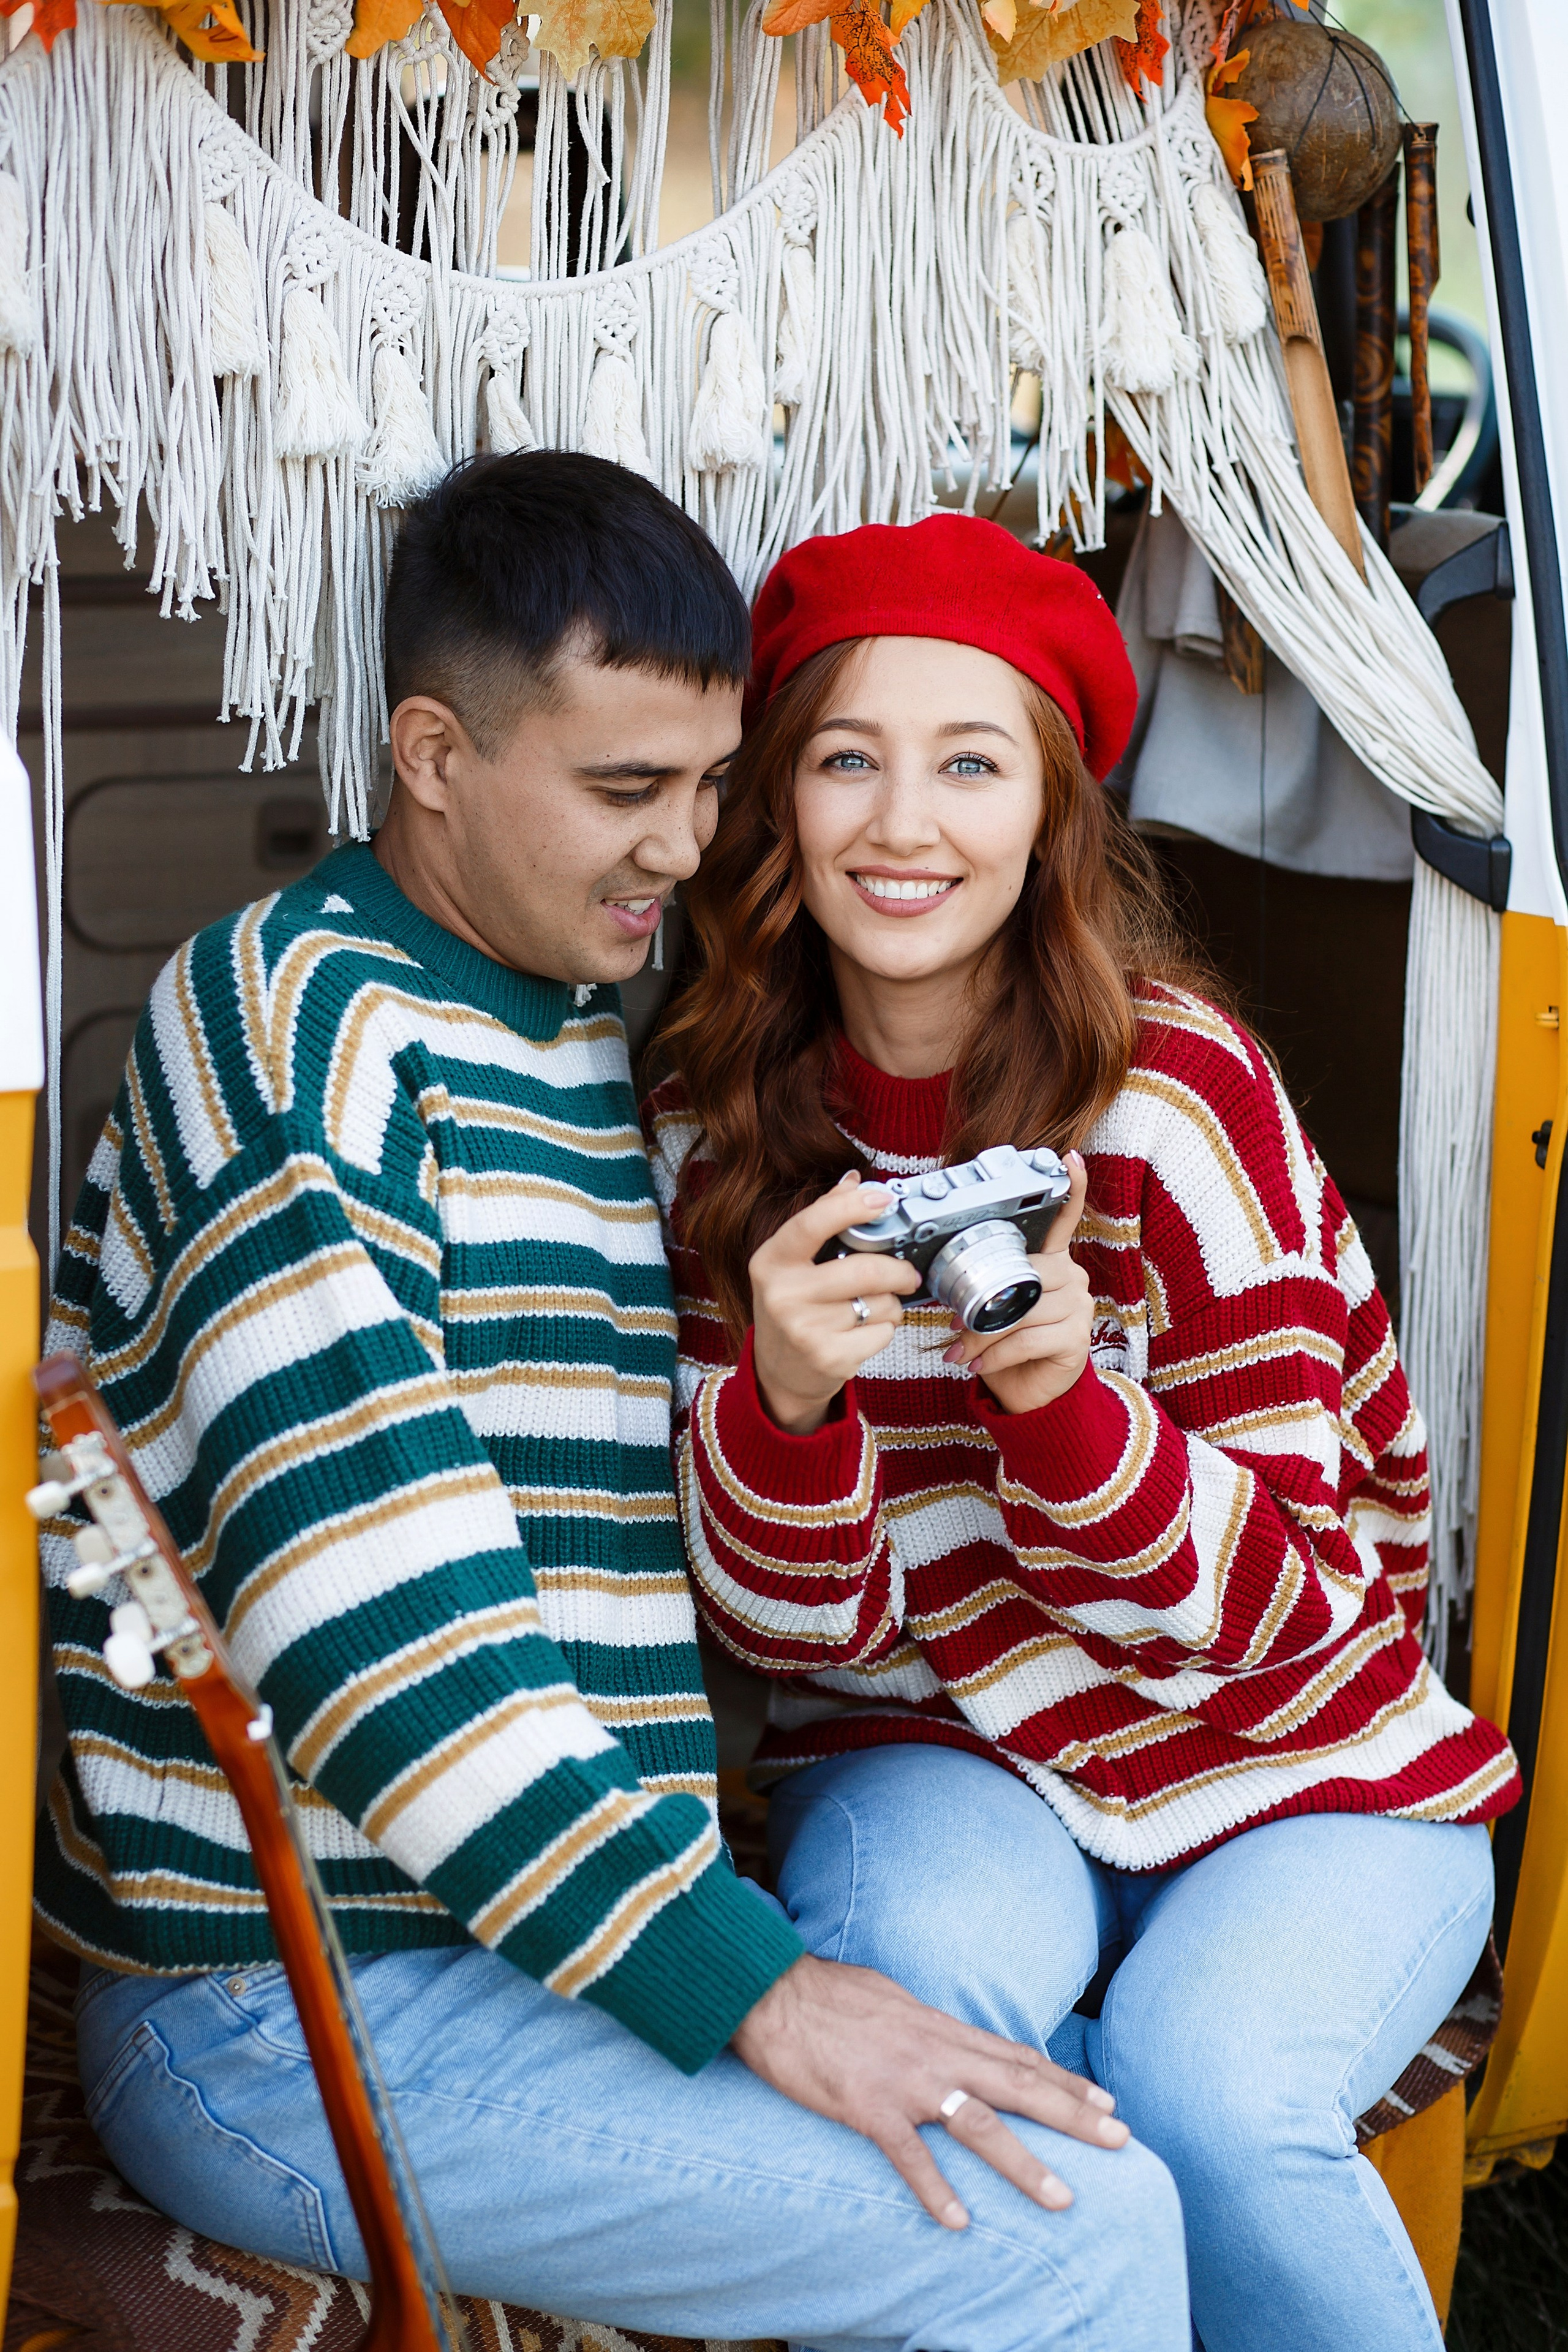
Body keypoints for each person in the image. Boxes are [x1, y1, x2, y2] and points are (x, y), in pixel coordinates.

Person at [41, 454, 1187, 2351]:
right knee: (1072, 2232)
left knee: (1067, 2118)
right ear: (432, 755)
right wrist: (759, 1990)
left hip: (518, 1948)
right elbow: (377, 1639)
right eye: (627, 791)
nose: (686, 847)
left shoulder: (570, 1014)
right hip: (286, 2006)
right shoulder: (298, 1033)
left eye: (717, 785)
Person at [643, 511, 1522, 2352]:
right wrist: (783, 1408)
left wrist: (1063, 1412)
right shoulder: (715, 1130)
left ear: (1054, 810)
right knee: (928, 2033)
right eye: (847, 760)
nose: (904, 824)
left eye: (972, 765)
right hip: (934, 1743)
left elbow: (1285, 1613)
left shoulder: (1172, 1095)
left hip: (1298, 1756)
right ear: (775, 801)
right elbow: (794, 1642)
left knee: (1215, 2099)